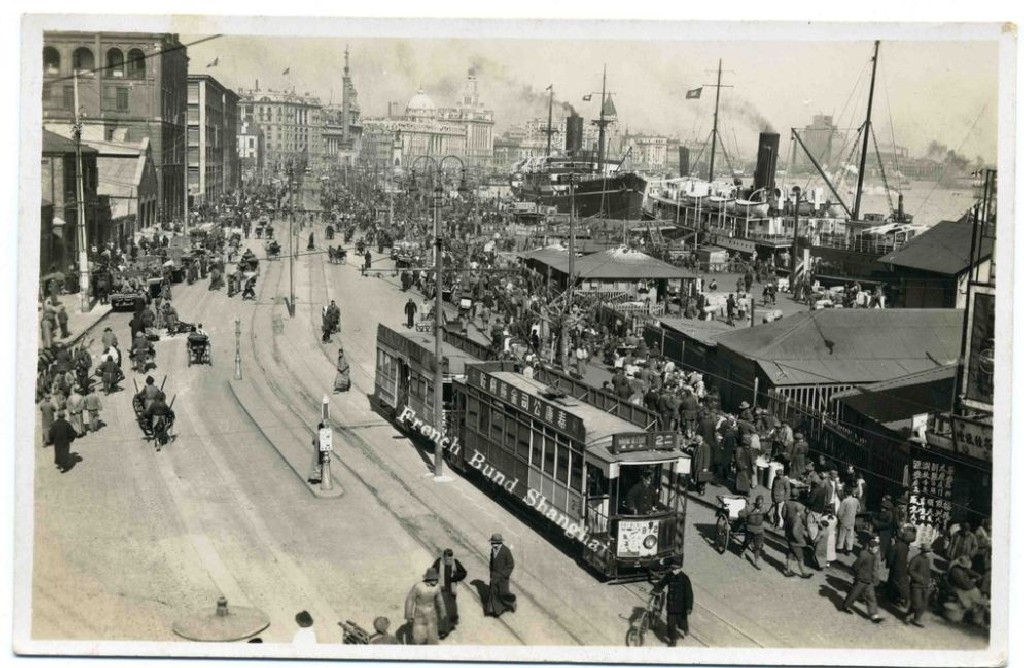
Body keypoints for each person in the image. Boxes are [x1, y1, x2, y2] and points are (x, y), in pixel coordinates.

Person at [841, 537, 885, 623]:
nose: (876, 550)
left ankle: (874, 615)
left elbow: (874, 569)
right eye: (875, 548)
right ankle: (846, 606)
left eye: (877, 549)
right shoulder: (864, 554)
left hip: (869, 581)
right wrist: (858, 575)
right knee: (854, 594)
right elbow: (856, 566)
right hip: (861, 579)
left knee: (871, 597)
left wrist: (875, 579)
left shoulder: (874, 556)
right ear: (870, 548)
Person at [652, 556, 694, 647]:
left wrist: (689, 607)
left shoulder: (684, 578)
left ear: (678, 568)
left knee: (681, 622)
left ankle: (685, 628)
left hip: (681, 607)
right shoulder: (669, 576)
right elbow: (662, 583)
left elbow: (689, 594)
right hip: (671, 606)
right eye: (672, 568)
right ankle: (673, 640)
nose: (672, 570)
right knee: (671, 624)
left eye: (674, 568)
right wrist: (656, 589)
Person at [430, 548, 468, 638]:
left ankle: (450, 624)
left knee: (450, 608)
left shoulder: (455, 562)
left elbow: (463, 573)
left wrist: (455, 577)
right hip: (441, 590)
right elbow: (432, 573)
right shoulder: (438, 562)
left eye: (450, 559)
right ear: (444, 556)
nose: (449, 560)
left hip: (451, 590)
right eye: (447, 558)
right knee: (443, 610)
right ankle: (443, 630)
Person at [405, 568, 447, 645]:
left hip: (431, 612)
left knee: (432, 633)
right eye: (433, 579)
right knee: (418, 633)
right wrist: (408, 614)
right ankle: (419, 647)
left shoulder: (436, 587)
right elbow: (410, 599)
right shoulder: (418, 586)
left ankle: (430, 649)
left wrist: (442, 612)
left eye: (436, 579)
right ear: (428, 579)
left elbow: (440, 601)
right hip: (420, 612)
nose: (435, 581)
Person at [782, 489, 813, 578]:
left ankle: (788, 570)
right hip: (796, 531)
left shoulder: (786, 503)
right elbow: (804, 519)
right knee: (799, 554)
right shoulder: (800, 506)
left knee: (791, 551)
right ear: (798, 495)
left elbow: (783, 515)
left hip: (788, 528)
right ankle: (803, 573)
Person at [485, 534, 516, 617]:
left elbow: (511, 565)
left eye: (493, 542)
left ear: (498, 543)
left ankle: (511, 604)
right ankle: (495, 610)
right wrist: (491, 572)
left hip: (502, 578)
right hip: (494, 576)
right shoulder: (493, 550)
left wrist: (503, 574)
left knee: (503, 593)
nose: (491, 544)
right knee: (494, 593)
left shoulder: (506, 551)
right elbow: (492, 562)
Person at [904, 543, 933, 627]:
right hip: (916, 585)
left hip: (925, 585)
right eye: (927, 552)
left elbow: (927, 572)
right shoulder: (916, 559)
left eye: (929, 552)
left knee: (924, 603)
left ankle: (917, 618)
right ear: (922, 551)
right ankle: (908, 614)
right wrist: (918, 578)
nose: (928, 553)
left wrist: (930, 580)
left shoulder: (927, 560)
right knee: (917, 603)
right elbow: (910, 570)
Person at [738, 495, 768, 570]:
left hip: (759, 530)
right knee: (747, 542)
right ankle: (743, 550)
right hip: (750, 529)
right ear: (756, 502)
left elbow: (767, 515)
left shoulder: (764, 508)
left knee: (758, 546)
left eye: (761, 504)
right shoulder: (749, 508)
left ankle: (756, 561)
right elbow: (740, 513)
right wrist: (746, 515)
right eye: (758, 503)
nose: (759, 505)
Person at [837, 490, 860, 556]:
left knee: (842, 534)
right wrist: (854, 513)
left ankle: (840, 548)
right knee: (850, 536)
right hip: (852, 520)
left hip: (844, 520)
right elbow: (859, 510)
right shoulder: (856, 500)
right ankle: (848, 549)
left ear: (845, 493)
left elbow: (840, 513)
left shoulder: (844, 501)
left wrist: (839, 518)